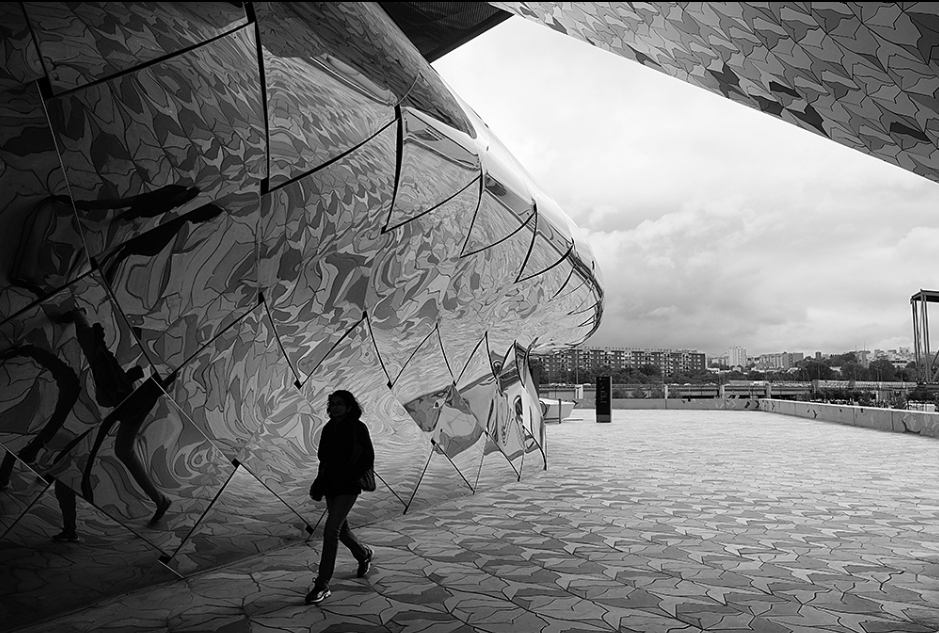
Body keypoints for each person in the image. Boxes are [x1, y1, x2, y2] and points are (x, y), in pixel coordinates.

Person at [305, 390, 375, 605]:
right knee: (341, 529)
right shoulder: (329, 428)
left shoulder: (357, 427)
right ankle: (363, 554)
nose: (335, 407)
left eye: (340, 403)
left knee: (331, 530)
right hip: (331, 485)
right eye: (332, 403)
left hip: (348, 486)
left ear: (349, 406)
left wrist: (351, 473)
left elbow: (368, 457)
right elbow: (322, 457)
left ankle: (322, 584)